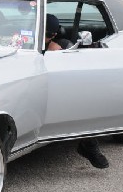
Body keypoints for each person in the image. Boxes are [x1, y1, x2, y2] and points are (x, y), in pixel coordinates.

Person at [44, 13, 109, 169]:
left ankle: (88, 144)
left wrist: (56, 55)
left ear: (53, 35)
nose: (41, 37)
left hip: (55, 92)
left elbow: (73, 79)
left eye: (46, 34)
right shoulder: (16, 41)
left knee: (84, 100)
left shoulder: (62, 48)